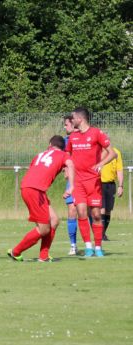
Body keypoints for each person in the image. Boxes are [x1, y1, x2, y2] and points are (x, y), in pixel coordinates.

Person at [7, 135, 75, 262]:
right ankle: (15, 251)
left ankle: (43, 256)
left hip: (31, 187)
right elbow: (70, 165)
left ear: (50, 145)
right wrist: (71, 186)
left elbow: (37, 169)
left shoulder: (40, 155)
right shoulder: (64, 155)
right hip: (35, 190)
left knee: (54, 220)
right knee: (44, 229)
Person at [65, 107, 117, 257]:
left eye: (73, 118)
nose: (71, 120)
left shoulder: (96, 133)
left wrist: (101, 164)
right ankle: (88, 247)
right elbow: (67, 153)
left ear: (80, 119)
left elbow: (112, 153)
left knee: (95, 214)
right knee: (81, 212)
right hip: (78, 181)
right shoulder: (73, 137)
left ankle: (98, 247)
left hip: (93, 181)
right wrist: (68, 169)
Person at [100, 146, 124, 241]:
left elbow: (119, 170)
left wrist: (120, 186)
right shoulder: (97, 151)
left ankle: (103, 233)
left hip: (111, 184)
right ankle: (100, 234)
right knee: (102, 208)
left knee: (108, 210)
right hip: (99, 183)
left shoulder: (116, 152)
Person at [63, 114, 79, 255]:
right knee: (72, 210)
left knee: (91, 212)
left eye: (66, 124)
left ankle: (91, 243)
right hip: (72, 181)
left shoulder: (86, 137)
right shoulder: (65, 141)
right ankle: (73, 245)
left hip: (86, 179)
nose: (65, 126)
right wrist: (65, 169)